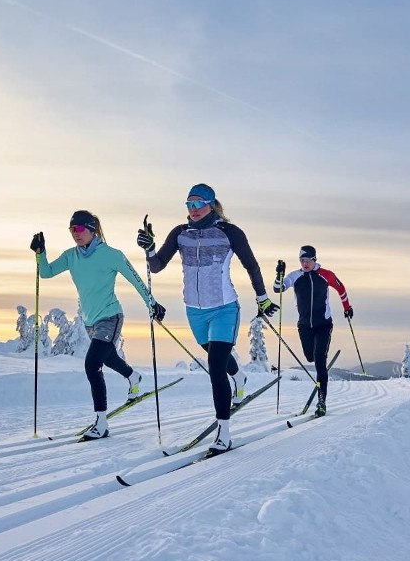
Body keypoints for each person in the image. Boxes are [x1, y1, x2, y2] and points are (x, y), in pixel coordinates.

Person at [137, 183, 278, 453]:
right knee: (218, 358)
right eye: (189, 204)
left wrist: (262, 298)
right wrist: (151, 249)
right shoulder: (180, 234)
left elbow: (251, 265)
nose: (193, 209)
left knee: (215, 365)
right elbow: (156, 267)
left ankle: (223, 433)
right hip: (194, 311)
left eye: (198, 203)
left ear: (212, 204)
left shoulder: (230, 232)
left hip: (225, 308)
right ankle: (240, 379)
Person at [30, 210, 165, 440]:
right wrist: (40, 253)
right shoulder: (71, 256)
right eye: (72, 229)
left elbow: (135, 279)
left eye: (80, 229)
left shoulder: (111, 255)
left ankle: (101, 423)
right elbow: (46, 272)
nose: (75, 234)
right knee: (109, 358)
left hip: (110, 317)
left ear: (92, 229)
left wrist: (152, 303)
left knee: (92, 364)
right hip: (89, 321)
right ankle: (133, 377)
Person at [273, 245, 352, 416]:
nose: (305, 263)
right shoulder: (296, 276)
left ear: (314, 259)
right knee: (310, 356)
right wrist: (279, 275)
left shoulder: (325, 275)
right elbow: (278, 288)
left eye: (308, 260)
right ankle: (319, 360)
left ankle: (321, 401)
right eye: (302, 260)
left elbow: (341, 288)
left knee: (318, 359)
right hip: (304, 325)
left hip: (323, 324)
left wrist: (347, 307)